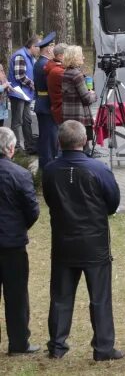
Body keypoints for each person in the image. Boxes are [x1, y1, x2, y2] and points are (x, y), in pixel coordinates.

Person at [43, 120, 124, 360]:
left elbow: (50, 199)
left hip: (64, 241)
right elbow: (113, 201)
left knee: (60, 296)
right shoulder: (98, 169)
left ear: (60, 142)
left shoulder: (50, 170)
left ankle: (57, 346)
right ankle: (103, 347)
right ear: (85, 141)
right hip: (93, 243)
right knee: (99, 297)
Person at [0, 126, 39, 355]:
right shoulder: (20, 174)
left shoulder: (19, 174)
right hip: (12, 244)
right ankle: (18, 343)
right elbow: (32, 210)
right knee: (16, 296)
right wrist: (19, 228)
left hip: (12, 239)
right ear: (11, 149)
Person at [7, 35, 39, 153]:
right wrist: (33, 85)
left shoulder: (30, 56)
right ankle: (16, 148)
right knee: (17, 121)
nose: (39, 50)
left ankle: (30, 146)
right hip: (18, 93)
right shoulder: (20, 55)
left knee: (27, 120)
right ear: (32, 46)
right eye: (38, 47)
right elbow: (19, 75)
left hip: (26, 93)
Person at [59, 46, 97, 145]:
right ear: (75, 58)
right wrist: (93, 95)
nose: (83, 57)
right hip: (79, 117)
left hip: (69, 116)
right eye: (81, 56)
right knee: (82, 148)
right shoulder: (76, 75)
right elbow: (87, 99)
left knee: (71, 146)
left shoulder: (66, 72)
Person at [32, 32, 58, 169]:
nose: (54, 50)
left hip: (43, 103)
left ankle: (46, 167)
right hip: (46, 104)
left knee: (46, 138)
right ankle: (47, 168)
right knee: (48, 139)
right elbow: (51, 85)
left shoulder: (41, 63)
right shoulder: (44, 64)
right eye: (53, 47)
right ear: (48, 49)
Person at [46, 44, 67, 125]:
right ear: (60, 56)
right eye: (68, 55)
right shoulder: (58, 71)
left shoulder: (54, 67)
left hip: (59, 109)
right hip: (62, 110)